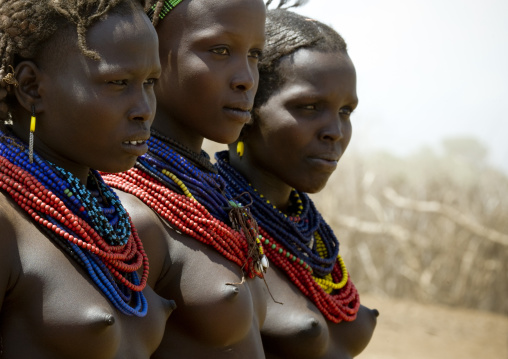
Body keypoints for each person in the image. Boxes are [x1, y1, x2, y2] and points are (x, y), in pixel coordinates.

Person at [0, 1, 175, 358]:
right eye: (118, 82)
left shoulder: (107, 215)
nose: (144, 109)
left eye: (150, 83)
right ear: (31, 87)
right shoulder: (5, 223)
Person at [101, 0, 268, 357]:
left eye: (255, 54)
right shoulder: (128, 214)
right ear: (152, 48)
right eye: (221, 50)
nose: (247, 79)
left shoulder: (205, 198)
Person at [215, 9, 379, 358]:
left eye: (345, 112)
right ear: (247, 109)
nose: (334, 131)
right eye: (308, 107)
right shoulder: (207, 228)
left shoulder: (308, 236)